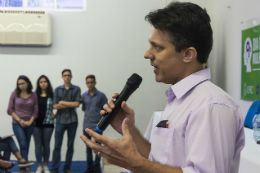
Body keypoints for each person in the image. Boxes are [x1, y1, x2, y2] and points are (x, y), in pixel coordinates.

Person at [80, 2, 245, 173]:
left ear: (188, 54)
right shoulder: (179, 100)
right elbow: (160, 161)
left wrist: (134, 163)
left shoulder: (211, 106)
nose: (147, 54)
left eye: (157, 47)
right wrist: (127, 128)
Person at [51, 69, 81, 173]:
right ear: (62, 77)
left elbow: (77, 104)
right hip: (60, 121)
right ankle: (54, 169)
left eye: (68, 75)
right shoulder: (57, 89)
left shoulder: (76, 89)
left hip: (72, 121)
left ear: (71, 76)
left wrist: (63, 102)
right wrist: (70, 104)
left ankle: (67, 168)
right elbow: (54, 105)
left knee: (70, 146)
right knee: (57, 146)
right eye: (65, 75)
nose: (67, 77)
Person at [7, 75, 38, 172]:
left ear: (28, 83)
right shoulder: (14, 94)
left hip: (30, 123)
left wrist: (30, 122)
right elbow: (10, 110)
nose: (21, 86)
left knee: (26, 145)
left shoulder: (33, 95)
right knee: (23, 143)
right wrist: (20, 120)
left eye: (23, 83)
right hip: (17, 123)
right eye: (19, 84)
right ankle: (26, 167)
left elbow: (36, 110)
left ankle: (23, 168)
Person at [81, 75, 107, 173]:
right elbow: (84, 108)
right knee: (88, 148)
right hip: (86, 125)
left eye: (92, 82)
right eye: (88, 82)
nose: (90, 84)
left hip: (98, 126)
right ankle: (89, 168)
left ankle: (96, 168)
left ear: (95, 83)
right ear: (86, 83)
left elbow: (105, 109)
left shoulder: (101, 95)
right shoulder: (84, 96)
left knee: (97, 147)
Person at [34, 75, 55, 173]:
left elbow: (59, 105)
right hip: (36, 124)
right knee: (38, 145)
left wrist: (56, 115)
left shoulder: (52, 95)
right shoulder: (34, 95)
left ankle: (45, 166)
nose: (43, 83)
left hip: (48, 124)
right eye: (41, 82)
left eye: (45, 81)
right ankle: (39, 166)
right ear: (38, 84)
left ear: (48, 83)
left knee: (46, 145)